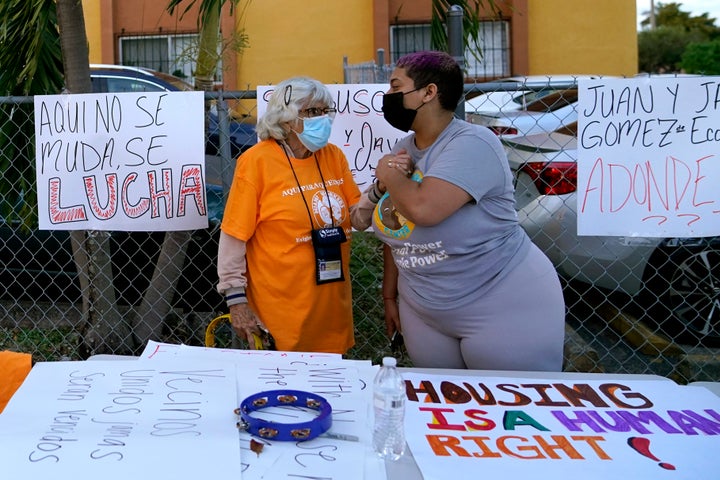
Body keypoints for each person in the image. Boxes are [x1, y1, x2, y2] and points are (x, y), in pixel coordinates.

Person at [353, 51, 566, 371]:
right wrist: (389, 295)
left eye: (396, 87)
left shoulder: (473, 143)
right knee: (444, 410)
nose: (389, 97)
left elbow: (423, 209)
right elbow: (395, 233)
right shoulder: (401, 152)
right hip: (424, 311)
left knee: (505, 412)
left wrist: (390, 175)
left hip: (500, 302)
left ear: (428, 92)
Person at [217, 76, 364, 354]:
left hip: (330, 311)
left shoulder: (333, 156)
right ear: (285, 119)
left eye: (325, 111)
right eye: (311, 112)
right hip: (278, 315)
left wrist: (382, 188)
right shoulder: (256, 162)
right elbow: (234, 236)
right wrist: (236, 300)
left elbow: (358, 217)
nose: (322, 119)